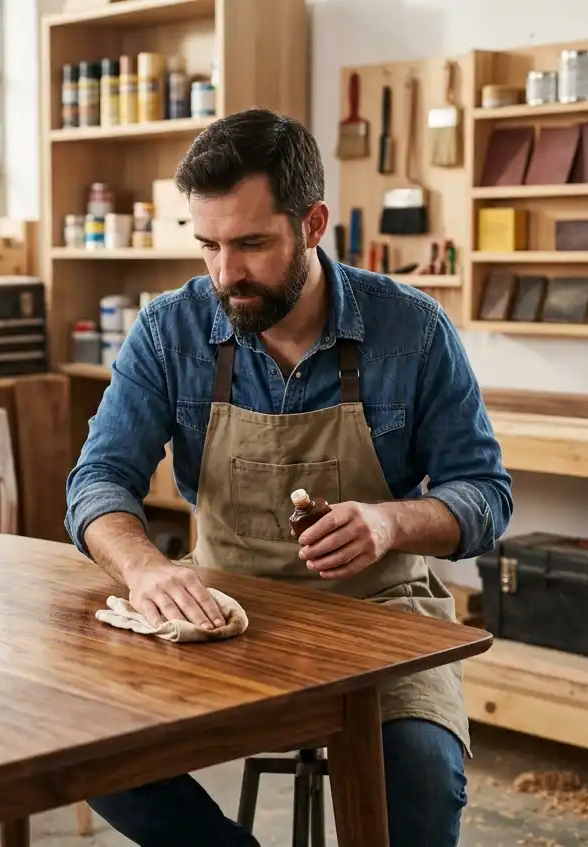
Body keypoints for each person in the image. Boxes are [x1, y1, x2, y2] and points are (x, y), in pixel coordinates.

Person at [63, 108, 514, 847]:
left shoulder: (411, 329)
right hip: (220, 606)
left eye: (250, 244)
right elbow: (98, 481)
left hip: (379, 615)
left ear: (312, 224)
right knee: (85, 745)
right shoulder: (168, 330)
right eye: (207, 244)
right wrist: (144, 570)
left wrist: (388, 521)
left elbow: (484, 495)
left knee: (421, 780)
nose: (224, 273)